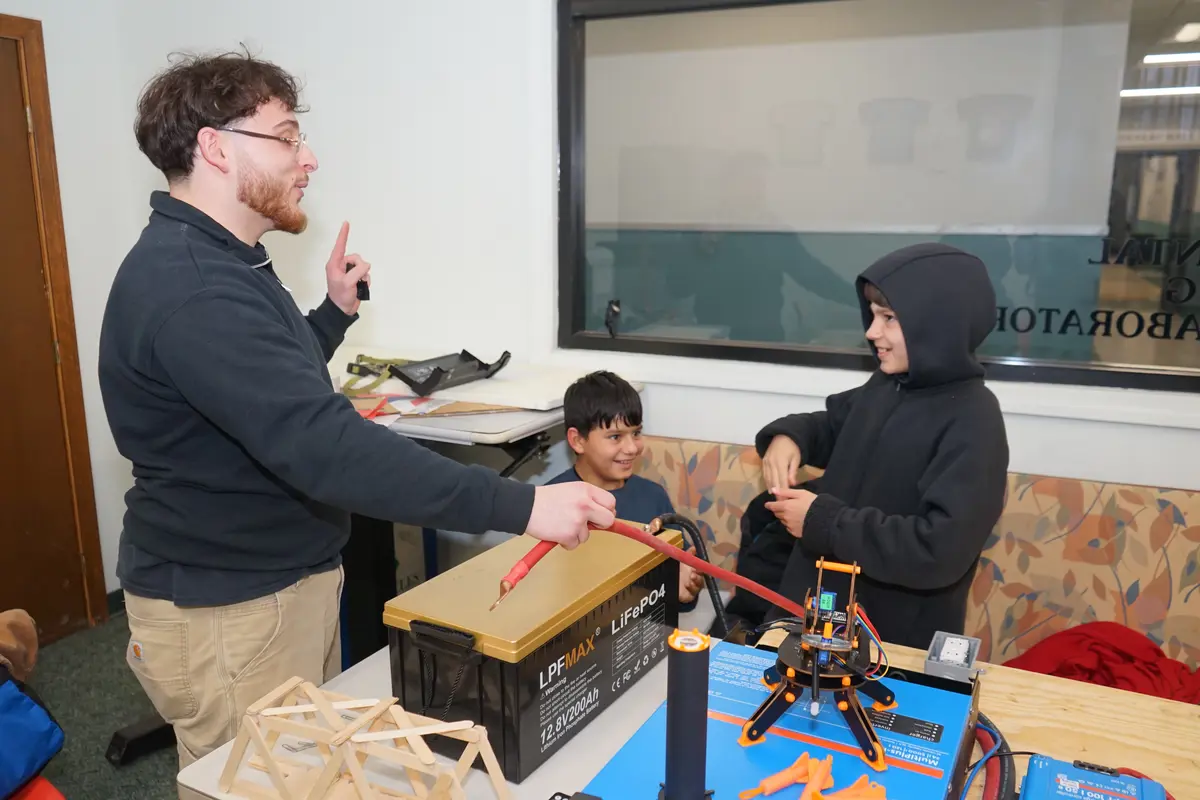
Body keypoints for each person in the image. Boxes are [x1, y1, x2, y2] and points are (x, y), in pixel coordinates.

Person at [96, 50, 615, 782]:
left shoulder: (225, 260)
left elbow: (267, 389)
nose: (308, 158)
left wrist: (331, 316)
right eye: (286, 136)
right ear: (215, 147)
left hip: (273, 588)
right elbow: (325, 446)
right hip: (230, 611)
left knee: (314, 775)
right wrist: (522, 504)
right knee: (258, 784)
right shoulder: (194, 288)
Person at [742, 242, 1009, 650]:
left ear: (936, 325)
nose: (871, 331)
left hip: (891, 641)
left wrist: (824, 522)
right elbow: (832, 425)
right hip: (817, 615)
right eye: (872, 315)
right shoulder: (887, 385)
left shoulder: (975, 420)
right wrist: (788, 436)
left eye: (889, 318)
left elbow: (938, 549)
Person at [544, 371, 706, 610]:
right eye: (615, 436)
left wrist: (685, 587)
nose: (632, 448)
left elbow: (680, 598)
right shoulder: (549, 503)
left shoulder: (654, 497)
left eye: (636, 433)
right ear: (578, 441)